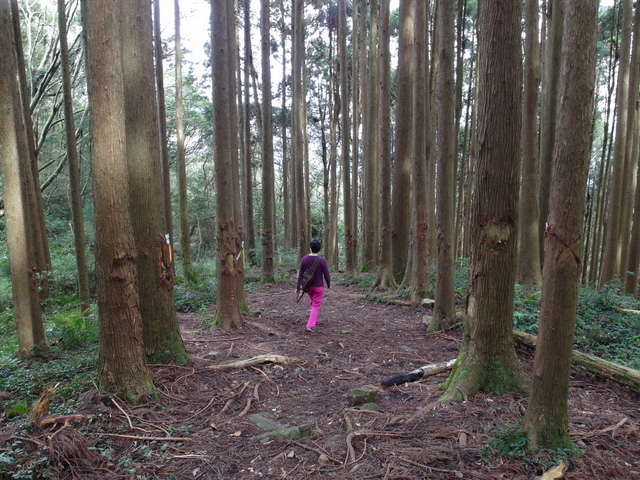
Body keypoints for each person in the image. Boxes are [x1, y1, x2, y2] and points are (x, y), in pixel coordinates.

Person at [296, 239, 331, 331]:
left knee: (313, 302)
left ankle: (315, 319)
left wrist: (298, 287)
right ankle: (310, 325)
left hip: (307, 286)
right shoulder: (322, 260)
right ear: (319, 249)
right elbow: (326, 274)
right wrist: (328, 284)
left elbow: (300, 274)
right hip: (318, 286)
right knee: (315, 305)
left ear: (310, 248)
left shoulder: (304, 259)